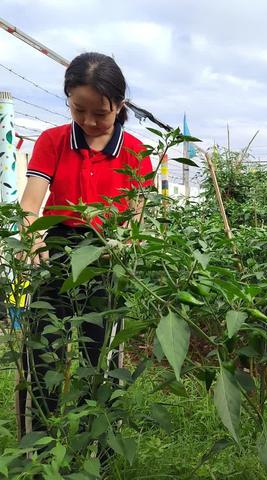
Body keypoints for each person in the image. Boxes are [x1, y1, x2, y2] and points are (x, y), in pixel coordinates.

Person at [18, 52, 153, 437]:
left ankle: (96, 452)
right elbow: (30, 205)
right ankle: (39, 453)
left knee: (103, 358)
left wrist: (126, 245)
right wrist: (35, 238)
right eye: (79, 110)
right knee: (43, 355)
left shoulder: (136, 154)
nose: (90, 122)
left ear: (120, 106)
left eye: (102, 113)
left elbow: (136, 220)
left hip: (108, 253)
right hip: (57, 251)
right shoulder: (53, 141)